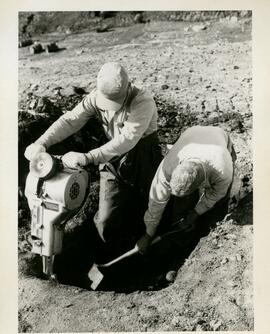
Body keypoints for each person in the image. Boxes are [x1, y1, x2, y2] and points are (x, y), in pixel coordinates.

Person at [25, 62, 162, 259]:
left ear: (127, 88)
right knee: (106, 220)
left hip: (143, 157)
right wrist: (41, 143)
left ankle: (148, 257)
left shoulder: (142, 101)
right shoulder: (95, 98)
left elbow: (127, 140)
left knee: (148, 207)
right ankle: (108, 259)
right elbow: (71, 120)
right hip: (112, 158)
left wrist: (88, 157)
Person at [136, 125, 237, 254]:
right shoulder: (168, 167)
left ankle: (206, 242)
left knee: (218, 206)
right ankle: (178, 244)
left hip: (220, 137)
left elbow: (215, 195)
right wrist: (148, 234)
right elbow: (156, 200)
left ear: (199, 185)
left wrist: (195, 213)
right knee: (181, 206)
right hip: (192, 134)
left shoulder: (222, 170)